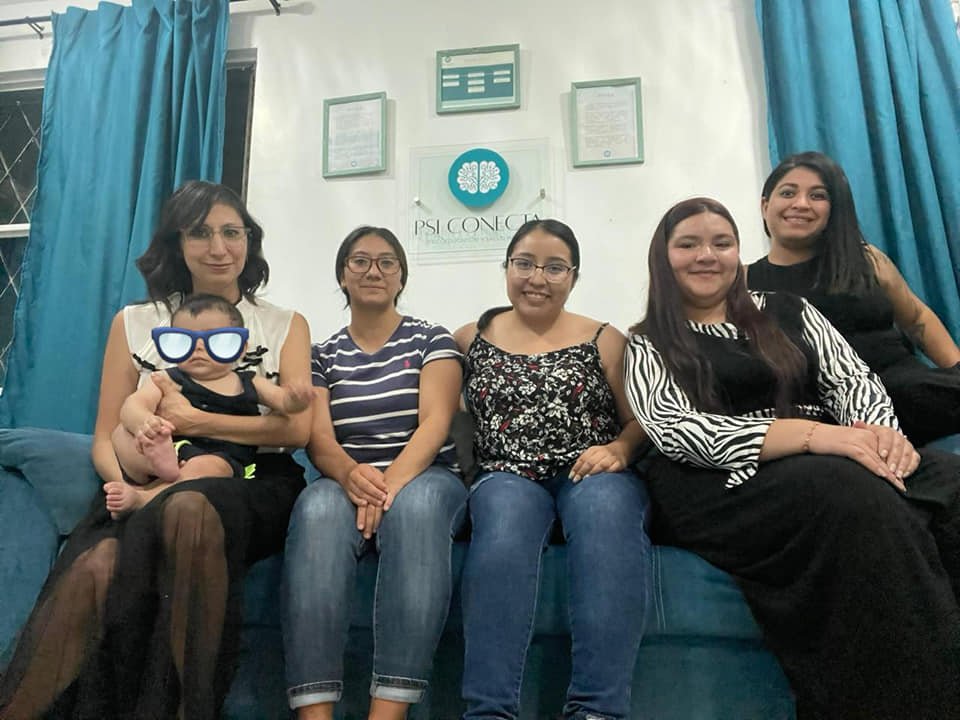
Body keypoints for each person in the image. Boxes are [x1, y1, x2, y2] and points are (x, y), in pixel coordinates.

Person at [625, 197, 960, 720]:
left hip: (836, 450)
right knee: (852, 494)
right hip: (722, 477)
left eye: (722, 243)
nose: (707, 255)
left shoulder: (790, 310)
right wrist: (811, 436)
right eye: (688, 244)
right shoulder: (647, 341)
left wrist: (879, 435)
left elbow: (850, 379)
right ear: (662, 259)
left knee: (949, 480)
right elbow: (676, 430)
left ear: (738, 252)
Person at [0, 180, 312, 720]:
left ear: (249, 240)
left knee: (189, 508)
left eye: (232, 232)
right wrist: (126, 480)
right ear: (177, 243)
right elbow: (107, 433)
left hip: (249, 481)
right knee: (99, 564)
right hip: (146, 479)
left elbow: (295, 431)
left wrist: (196, 421)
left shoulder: (284, 324)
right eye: (201, 233)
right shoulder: (135, 322)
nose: (219, 247)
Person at [454, 219, 652, 720]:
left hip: (591, 471)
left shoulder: (605, 338)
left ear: (574, 276)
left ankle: (596, 711)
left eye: (554, 267)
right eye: (524, 264)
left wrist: (620, 450)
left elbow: (639, 422)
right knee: (502, 528)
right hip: (505, 473)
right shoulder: (469, 338)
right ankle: (489, 712)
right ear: (506, 268)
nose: (537, 278)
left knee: (607, 515)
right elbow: (440, 417)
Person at [282, 226, 467, 720]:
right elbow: (319, 439)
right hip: (347, 477)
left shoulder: (431, 338)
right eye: (360, 261)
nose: (373, 271)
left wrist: (386, 486)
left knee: (416, 508)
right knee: (316, 509)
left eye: (387, 262)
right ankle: (314, 711)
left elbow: (436, 423)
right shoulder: (322, 355)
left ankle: (387, 712)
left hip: (425, 474)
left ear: (401, 277)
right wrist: (349, 476)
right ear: (342, 275)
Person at [747, 150, 960, 445]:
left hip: (911, 388)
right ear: (765, 206)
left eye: (818, 196)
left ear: (833, 210)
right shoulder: (744, 284)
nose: (801, 204)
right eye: (788, 193)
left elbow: (917, 319)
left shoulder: (867, 260)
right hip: (833, 414)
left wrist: (955, 371)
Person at [109, 292, 313, 515]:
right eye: (183, 340)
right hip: (169, 446)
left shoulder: (249, 381)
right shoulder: (167, 378)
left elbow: (283, 402)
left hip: (220, 457)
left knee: (209, 467)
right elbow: (133, 405)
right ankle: (156, 464)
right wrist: (146, 424)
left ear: (241, 347)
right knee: (120, 434)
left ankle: (145, 497)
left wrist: (296, 399)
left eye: (217, 341)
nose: (198, 348)